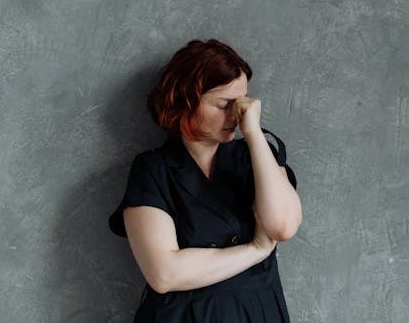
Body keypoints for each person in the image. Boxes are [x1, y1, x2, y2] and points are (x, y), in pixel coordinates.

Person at [108, 38, 302, 322]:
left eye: (242, 102)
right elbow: (164, 274)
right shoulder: (153, 169)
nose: (237, 115)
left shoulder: (256, 156)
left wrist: (255, 135)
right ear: (186, 101)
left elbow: (283, 226)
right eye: (224, 104)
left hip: (258, 312)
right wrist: (255, 249)